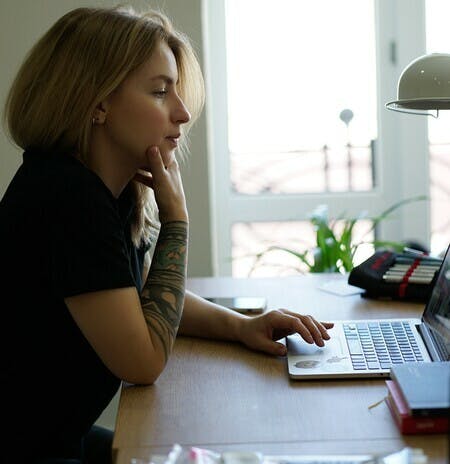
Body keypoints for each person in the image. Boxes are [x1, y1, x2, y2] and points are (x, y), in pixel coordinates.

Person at [0, 5, 333, 463]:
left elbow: (133, 297)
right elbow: (144, 361)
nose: (182, 112)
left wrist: (241, 327)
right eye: (160, 92)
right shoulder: (68, 198)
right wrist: (177, 220)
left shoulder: (97, 189)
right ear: (97, 103)